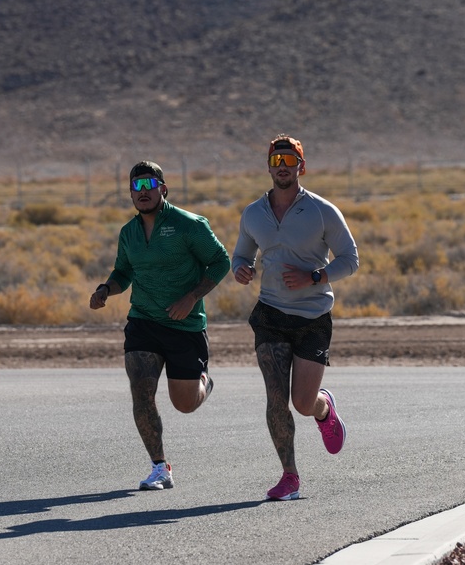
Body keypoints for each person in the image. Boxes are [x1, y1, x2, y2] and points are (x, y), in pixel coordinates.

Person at [231, 135, 359, 501]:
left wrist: (315, 277)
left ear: (301, 167)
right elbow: (240, 255)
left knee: (301, 403)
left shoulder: (322, 211)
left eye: (290, 161)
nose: (282, 167)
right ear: (269, 166)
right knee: (275, 398)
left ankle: (323, 408)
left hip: (312, 317)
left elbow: (350, 259)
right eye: (277, 161)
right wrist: (241, 269)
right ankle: (290, 476)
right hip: (270, 313)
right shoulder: (254, 213)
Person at [90, 160, 230, 491]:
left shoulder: (188, 225)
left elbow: (221, 261)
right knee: (141, 391)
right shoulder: (129, 233)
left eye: (148, 185)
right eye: (136, 187)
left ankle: (203, 382)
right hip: (144, 322)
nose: (142, 192)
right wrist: (106, 289)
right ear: (130, 194)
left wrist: (192, 297)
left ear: (162, 189)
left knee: (184, 404)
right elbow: (123, 272)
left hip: (185, 326)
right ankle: (159, 467)